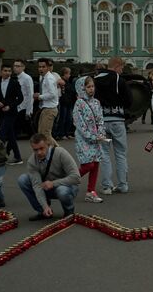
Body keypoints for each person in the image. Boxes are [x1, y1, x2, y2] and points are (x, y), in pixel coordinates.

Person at [16, 134, 82, 221]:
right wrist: (45, 206)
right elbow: (37, 186)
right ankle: (44, 212)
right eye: (35, 150)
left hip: (67, 186)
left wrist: (53, 183)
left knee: (62, 190)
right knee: (23, 179)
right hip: (47, 187)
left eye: (41, 148)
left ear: (47, 144)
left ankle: (69, 212)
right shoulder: (32, 161)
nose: (39, 152)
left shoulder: (60, 153)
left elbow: (76, 177)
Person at [92, 56, 133, 193]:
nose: (122, 70)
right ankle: (123, 184)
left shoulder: (95, 80)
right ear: (116, 66)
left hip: (101, 121)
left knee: (104, 154)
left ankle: (107, 186)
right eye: (121, 67)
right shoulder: (118, 80)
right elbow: (129, 100)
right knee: (120, 153)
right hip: (117, 120)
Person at [71, 76, 107, 204]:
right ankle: (69, 180)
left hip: (96, 139)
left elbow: (100, 120)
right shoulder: (79, 103)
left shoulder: (96, 102)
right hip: (84, 139)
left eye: (92, 86)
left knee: (96, 163)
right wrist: (91, 136)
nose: (91, 89)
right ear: (82, 88)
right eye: (88, 87)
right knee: (88, 164)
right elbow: (79, 124)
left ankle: (91, 191)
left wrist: (101, 133)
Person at [0, 63, 24, 163]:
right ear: (1, 72)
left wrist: (10, 106)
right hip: (2, 112)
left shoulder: (14, 83)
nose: (7, 73)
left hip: (11, 113)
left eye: (9, 71)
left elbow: (20, 98)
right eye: (5, 71)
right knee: (10, 136)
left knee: (2, 134)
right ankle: (18, 157)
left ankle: (0, 157)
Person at [11, 58, 35, 157]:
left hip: (24, 108)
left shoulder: (26, 78)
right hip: (18, 108)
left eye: (18, 66)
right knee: (16, 131)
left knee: (16, 131)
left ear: (23, 67)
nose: (15, 68)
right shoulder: (16, 78)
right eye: (14, 66)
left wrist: (29, 111)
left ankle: (10, 153)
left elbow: (30, 94)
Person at [34, 58, 61, 139]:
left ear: (48, 67)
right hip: (45, 108)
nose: (41, 69)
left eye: (43, 67)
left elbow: (52, 94)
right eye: (39, 67)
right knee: (41, 134)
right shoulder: (43, 77)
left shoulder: (49, 78)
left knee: (45, 134)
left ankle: (58, 151)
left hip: (50, 109)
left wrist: (39, 96)